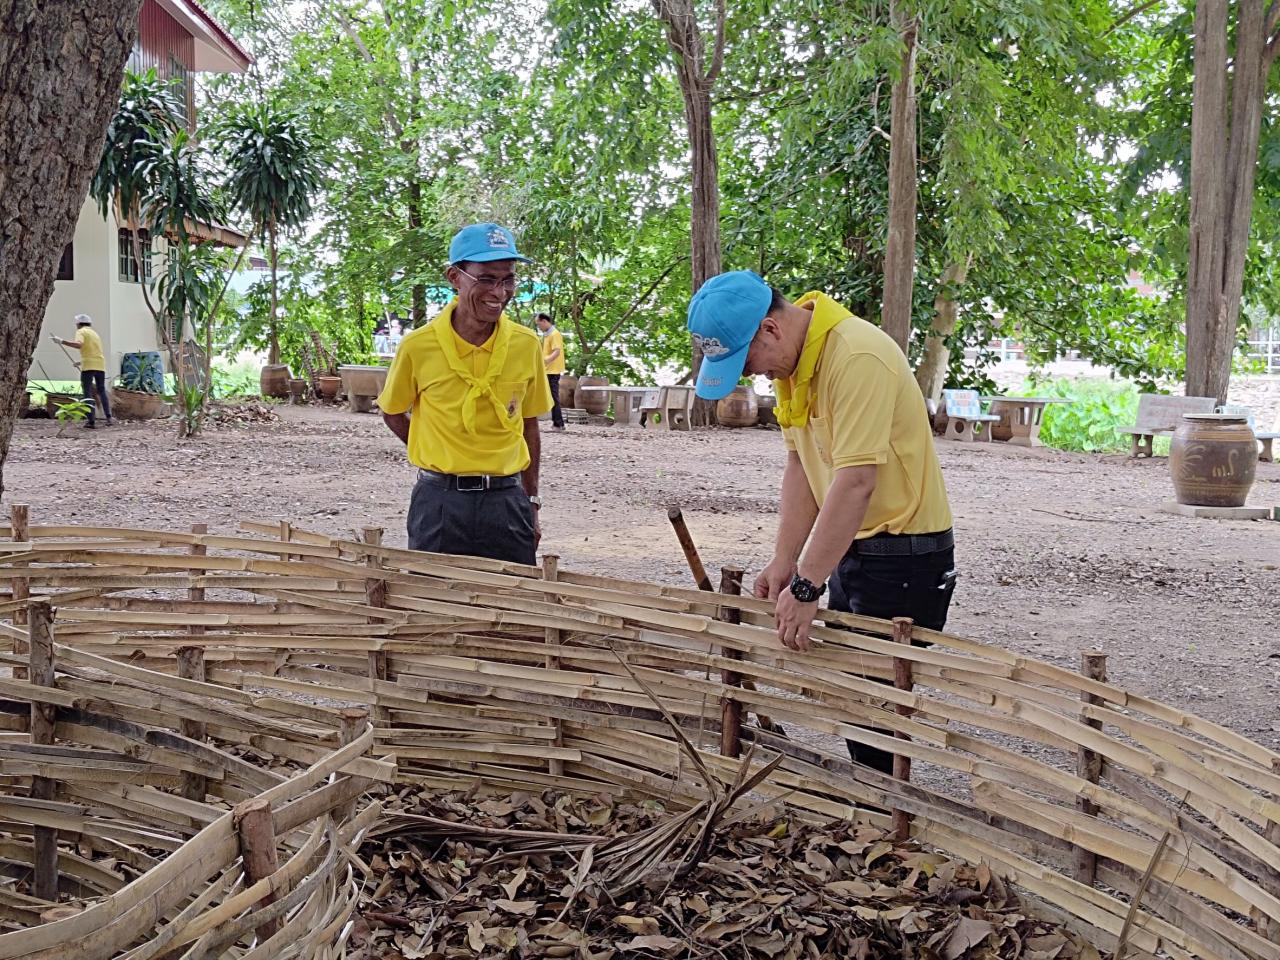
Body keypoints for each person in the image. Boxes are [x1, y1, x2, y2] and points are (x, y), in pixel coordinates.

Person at [688, 270, 957, 773]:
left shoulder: (855, 357)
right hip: (853, 548)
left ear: (770, 330)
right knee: (854, 700)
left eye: (746, 362)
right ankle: (874, 817)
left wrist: (809, 587)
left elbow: (856, 481)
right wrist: (786, 562)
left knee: (879, 709)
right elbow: (801, 465)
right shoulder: (795, 366)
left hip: (904, 556)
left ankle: (886, 827)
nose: (752, 375)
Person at [377, 223, 553, 564]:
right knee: (435, 606)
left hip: (507, 501)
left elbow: (529, 425)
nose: (499, 292)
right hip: (439, 502)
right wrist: (438, 450)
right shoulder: (418, 347)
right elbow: (392, 412)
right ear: (455, 278)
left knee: (514, 606)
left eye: (508, 279)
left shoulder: (526, 345)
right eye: (486, 279)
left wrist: (531, 501)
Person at [51, 315, 112, 429]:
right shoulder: (95, 334)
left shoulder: (81, 332)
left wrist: (61, 341)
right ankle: (109, 417)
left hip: (88, 367)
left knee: (87, 393)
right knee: (101, 390)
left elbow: (79, 344)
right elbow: (93, 351)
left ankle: (91, 421)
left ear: (78, 324)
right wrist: (80, 362)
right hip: (100, 365)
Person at [535, 312, 566, 431]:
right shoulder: (548, 335)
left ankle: (558, 423)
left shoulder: (554, 334)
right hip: (548, 370)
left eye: (539, 324)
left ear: (544, 321)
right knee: (551, 397)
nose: (539, 327)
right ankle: (558, 423)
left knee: (553, 397)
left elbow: (556, 351)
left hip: (552, 370)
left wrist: (545, 361)